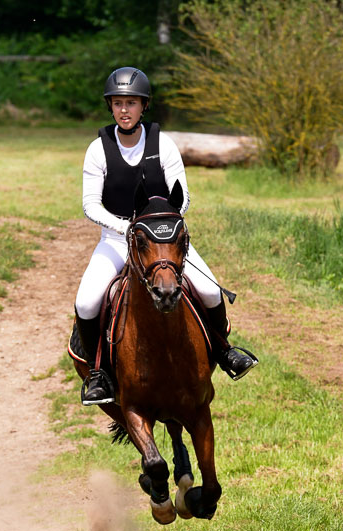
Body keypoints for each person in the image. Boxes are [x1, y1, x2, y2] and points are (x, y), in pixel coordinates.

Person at [75, 66, 257, 405]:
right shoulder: (98, 149)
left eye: (131, 103)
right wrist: (127, 228)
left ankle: (224, 351)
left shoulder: (164, 144)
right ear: (110, 106)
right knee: (86, 301)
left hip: (164, 239)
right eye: (118, 103)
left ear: (144, 106)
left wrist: (162, 224)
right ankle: (98, 373)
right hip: (116, 240)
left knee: (209, 290)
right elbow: (90, 205)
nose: (125, 110)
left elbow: (182, 196)